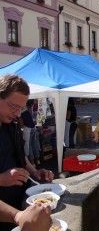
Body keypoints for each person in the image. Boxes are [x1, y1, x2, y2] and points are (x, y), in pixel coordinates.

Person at [0, 74, 54, 230]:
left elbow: (19, 154)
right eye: (13, 107)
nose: (17, 114)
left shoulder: (11, 123)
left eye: (21, 108)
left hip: (20, 205)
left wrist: (34, 172)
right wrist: (2, 179)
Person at [19, 99, 41, 166]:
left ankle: (32, 163)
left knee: (29, 146)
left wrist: (21, 128)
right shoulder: (28, 110)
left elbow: (22, 124)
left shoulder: (20, 111)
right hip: (33, 128)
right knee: (35, 144)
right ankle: (37, 160)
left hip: (27, 129)